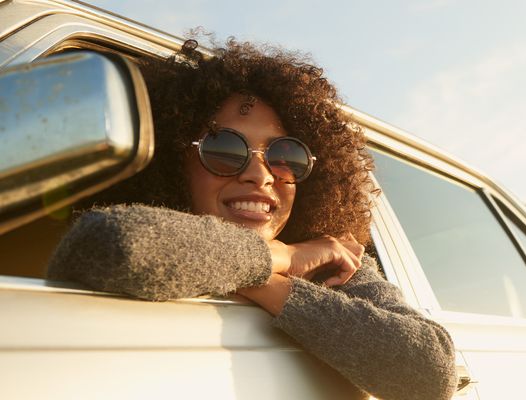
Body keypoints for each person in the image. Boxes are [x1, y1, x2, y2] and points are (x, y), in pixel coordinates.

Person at [46, 37, 457, 400]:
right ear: (173, 160)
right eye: (224, 148)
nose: (260, 175)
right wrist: (282, 258)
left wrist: (266, 283)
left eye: (285, 156)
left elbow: (431, 374)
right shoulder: (306, 256)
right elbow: (114, 245)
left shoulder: (335, 267)